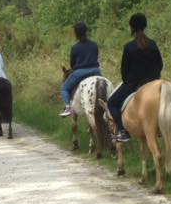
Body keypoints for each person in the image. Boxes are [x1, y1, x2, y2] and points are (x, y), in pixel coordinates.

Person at [107, 13, 163, 142]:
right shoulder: (153, 44)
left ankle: (123, 131)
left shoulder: (129, 47)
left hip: (134, 84)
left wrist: (128, 82)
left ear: (131, 27)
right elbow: (160, 65)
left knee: (112, 103)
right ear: (145, 26)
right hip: (154, 82)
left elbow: (124, 70)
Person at [59, 22, 101, 116]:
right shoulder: (94, 44)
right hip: (96, 70)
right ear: (86, 32)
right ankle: (107, 106)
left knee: (64, 89)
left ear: (76, 34)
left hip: (81, 72)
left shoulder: (75, 48)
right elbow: (96, 56)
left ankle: (68, 108)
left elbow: (72, 64)